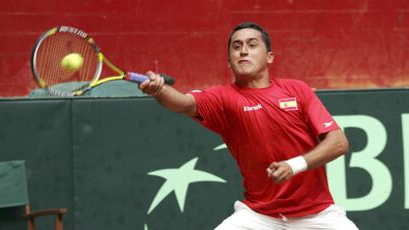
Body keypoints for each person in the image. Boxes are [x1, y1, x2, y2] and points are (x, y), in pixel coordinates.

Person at [138, 22, 358, 229]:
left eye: (252, 45)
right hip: (259, 217)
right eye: (237, 46)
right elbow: (183, 104)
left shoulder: (297, 90)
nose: (243, 51)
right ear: (229, 61)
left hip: (318, 215)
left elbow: (338, 142)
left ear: (269, 56)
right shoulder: (222, 98)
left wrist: (294, 165)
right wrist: (159, 90)